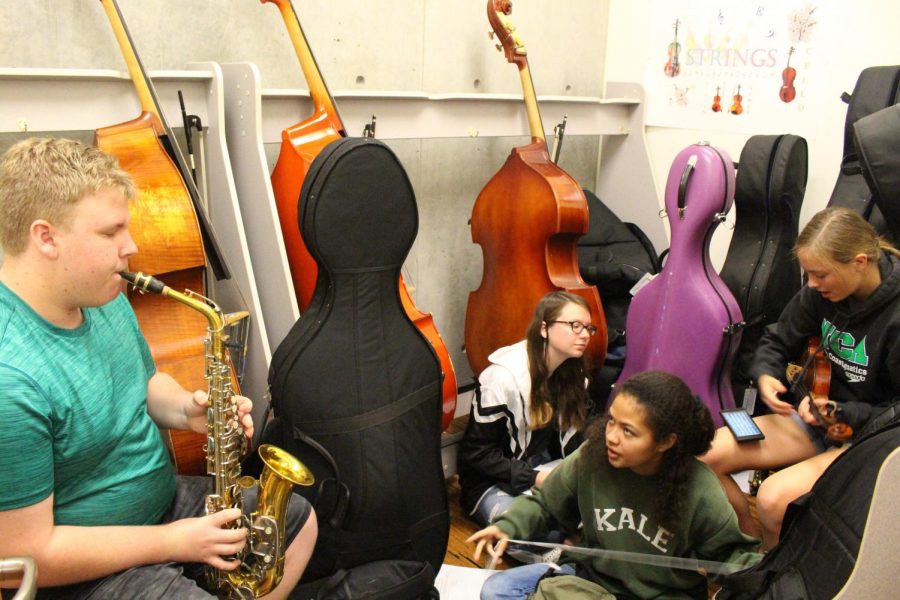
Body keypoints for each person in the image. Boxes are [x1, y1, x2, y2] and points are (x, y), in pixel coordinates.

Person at [0, 137, 317, 599]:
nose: (132, 247)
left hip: (160, 507)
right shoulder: (12, 377)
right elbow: (25, 556)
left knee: (299, 523)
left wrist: (188, 411)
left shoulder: (97, 291)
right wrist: (172, 542)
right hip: (85, 570)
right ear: (46, 238)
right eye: (111, 233)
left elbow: (143, 381)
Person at [701, 207, 900, 549]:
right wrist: (765, 374)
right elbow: (777, 339)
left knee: (773, 498)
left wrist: (843, 412)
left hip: (866, 437)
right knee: (706, 455)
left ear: (860, 262)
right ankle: (748, 549)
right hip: (816, 419)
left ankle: (776, 571)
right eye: (808, 273)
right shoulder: (820, 292)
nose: (811, 284)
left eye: (820, 274)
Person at [468, 370, 762, 600]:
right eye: (612, 422)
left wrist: (767, 578)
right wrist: (508, 526)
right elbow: (545, 503)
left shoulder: (700, 488)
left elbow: (731, 557)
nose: (611, 436)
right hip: (591, 579)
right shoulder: (592, 456)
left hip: (660, 595)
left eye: (628, 431)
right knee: (497, 590)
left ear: (665, 441)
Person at [457, 291, 595, 528]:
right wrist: (535, 478)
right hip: (493, 480)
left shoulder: (572, 373)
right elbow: (476, 454)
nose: (584, 335)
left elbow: (585, 426)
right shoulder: (501, 378)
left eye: (588, 328)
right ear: (544, 329)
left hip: (543, 465)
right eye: (574, 325)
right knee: (528, 531)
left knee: (593, 517)